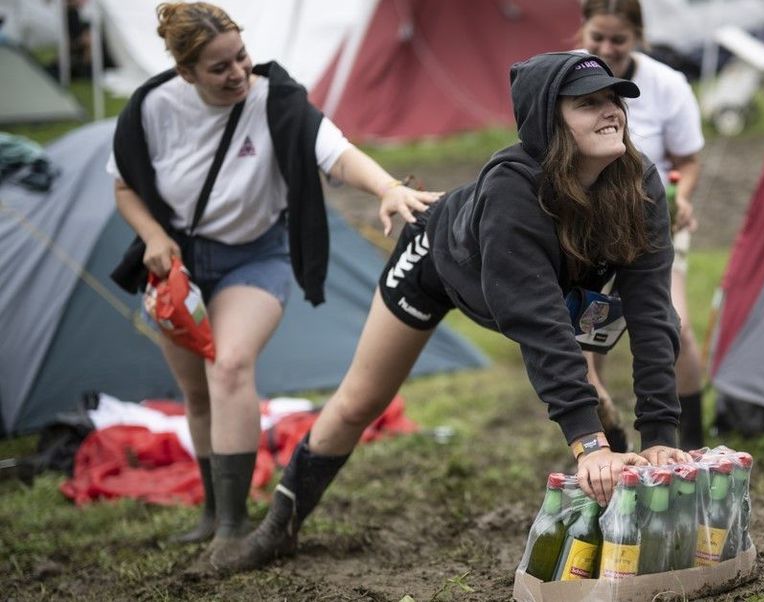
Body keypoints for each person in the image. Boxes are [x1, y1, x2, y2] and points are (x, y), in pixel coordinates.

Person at [214, 51, 692, 573]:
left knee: (593, 399)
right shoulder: (515, 191)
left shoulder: (639, 183)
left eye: (614, 98)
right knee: (358, 401)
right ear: (548, 123)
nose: (612, 111)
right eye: (587, 103)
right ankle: (279, 525)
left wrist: (663, 438)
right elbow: (538, 323)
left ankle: (622, 507)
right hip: (438, 262)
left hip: (559, 281)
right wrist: (587, 448)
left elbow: (651, 313)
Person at [107, 2, 439, 569]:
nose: (238, 72)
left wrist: (385, 186)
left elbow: (335, 152)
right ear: (186, 73)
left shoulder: (277, 100)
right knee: (196, 393)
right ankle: (213, 513)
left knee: (230, 365)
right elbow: (125, 187)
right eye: (219, 68)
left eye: (241, 57)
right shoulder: (151, 108)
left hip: (255, 257)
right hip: (179, 264)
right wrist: (154, 237)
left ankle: (236, 526)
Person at [578, 0, 708, 451]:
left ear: (638, 37)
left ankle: (691, 438)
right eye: (598, 38)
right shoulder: (565, 80)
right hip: (590, 231)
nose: (608, 48)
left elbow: (688, 161)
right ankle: (606, 443)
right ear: (584, 30)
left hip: (658, 221)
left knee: (675, 326)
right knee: (586, 335)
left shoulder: (666, 84)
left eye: (619, 39)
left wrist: (681, 197)